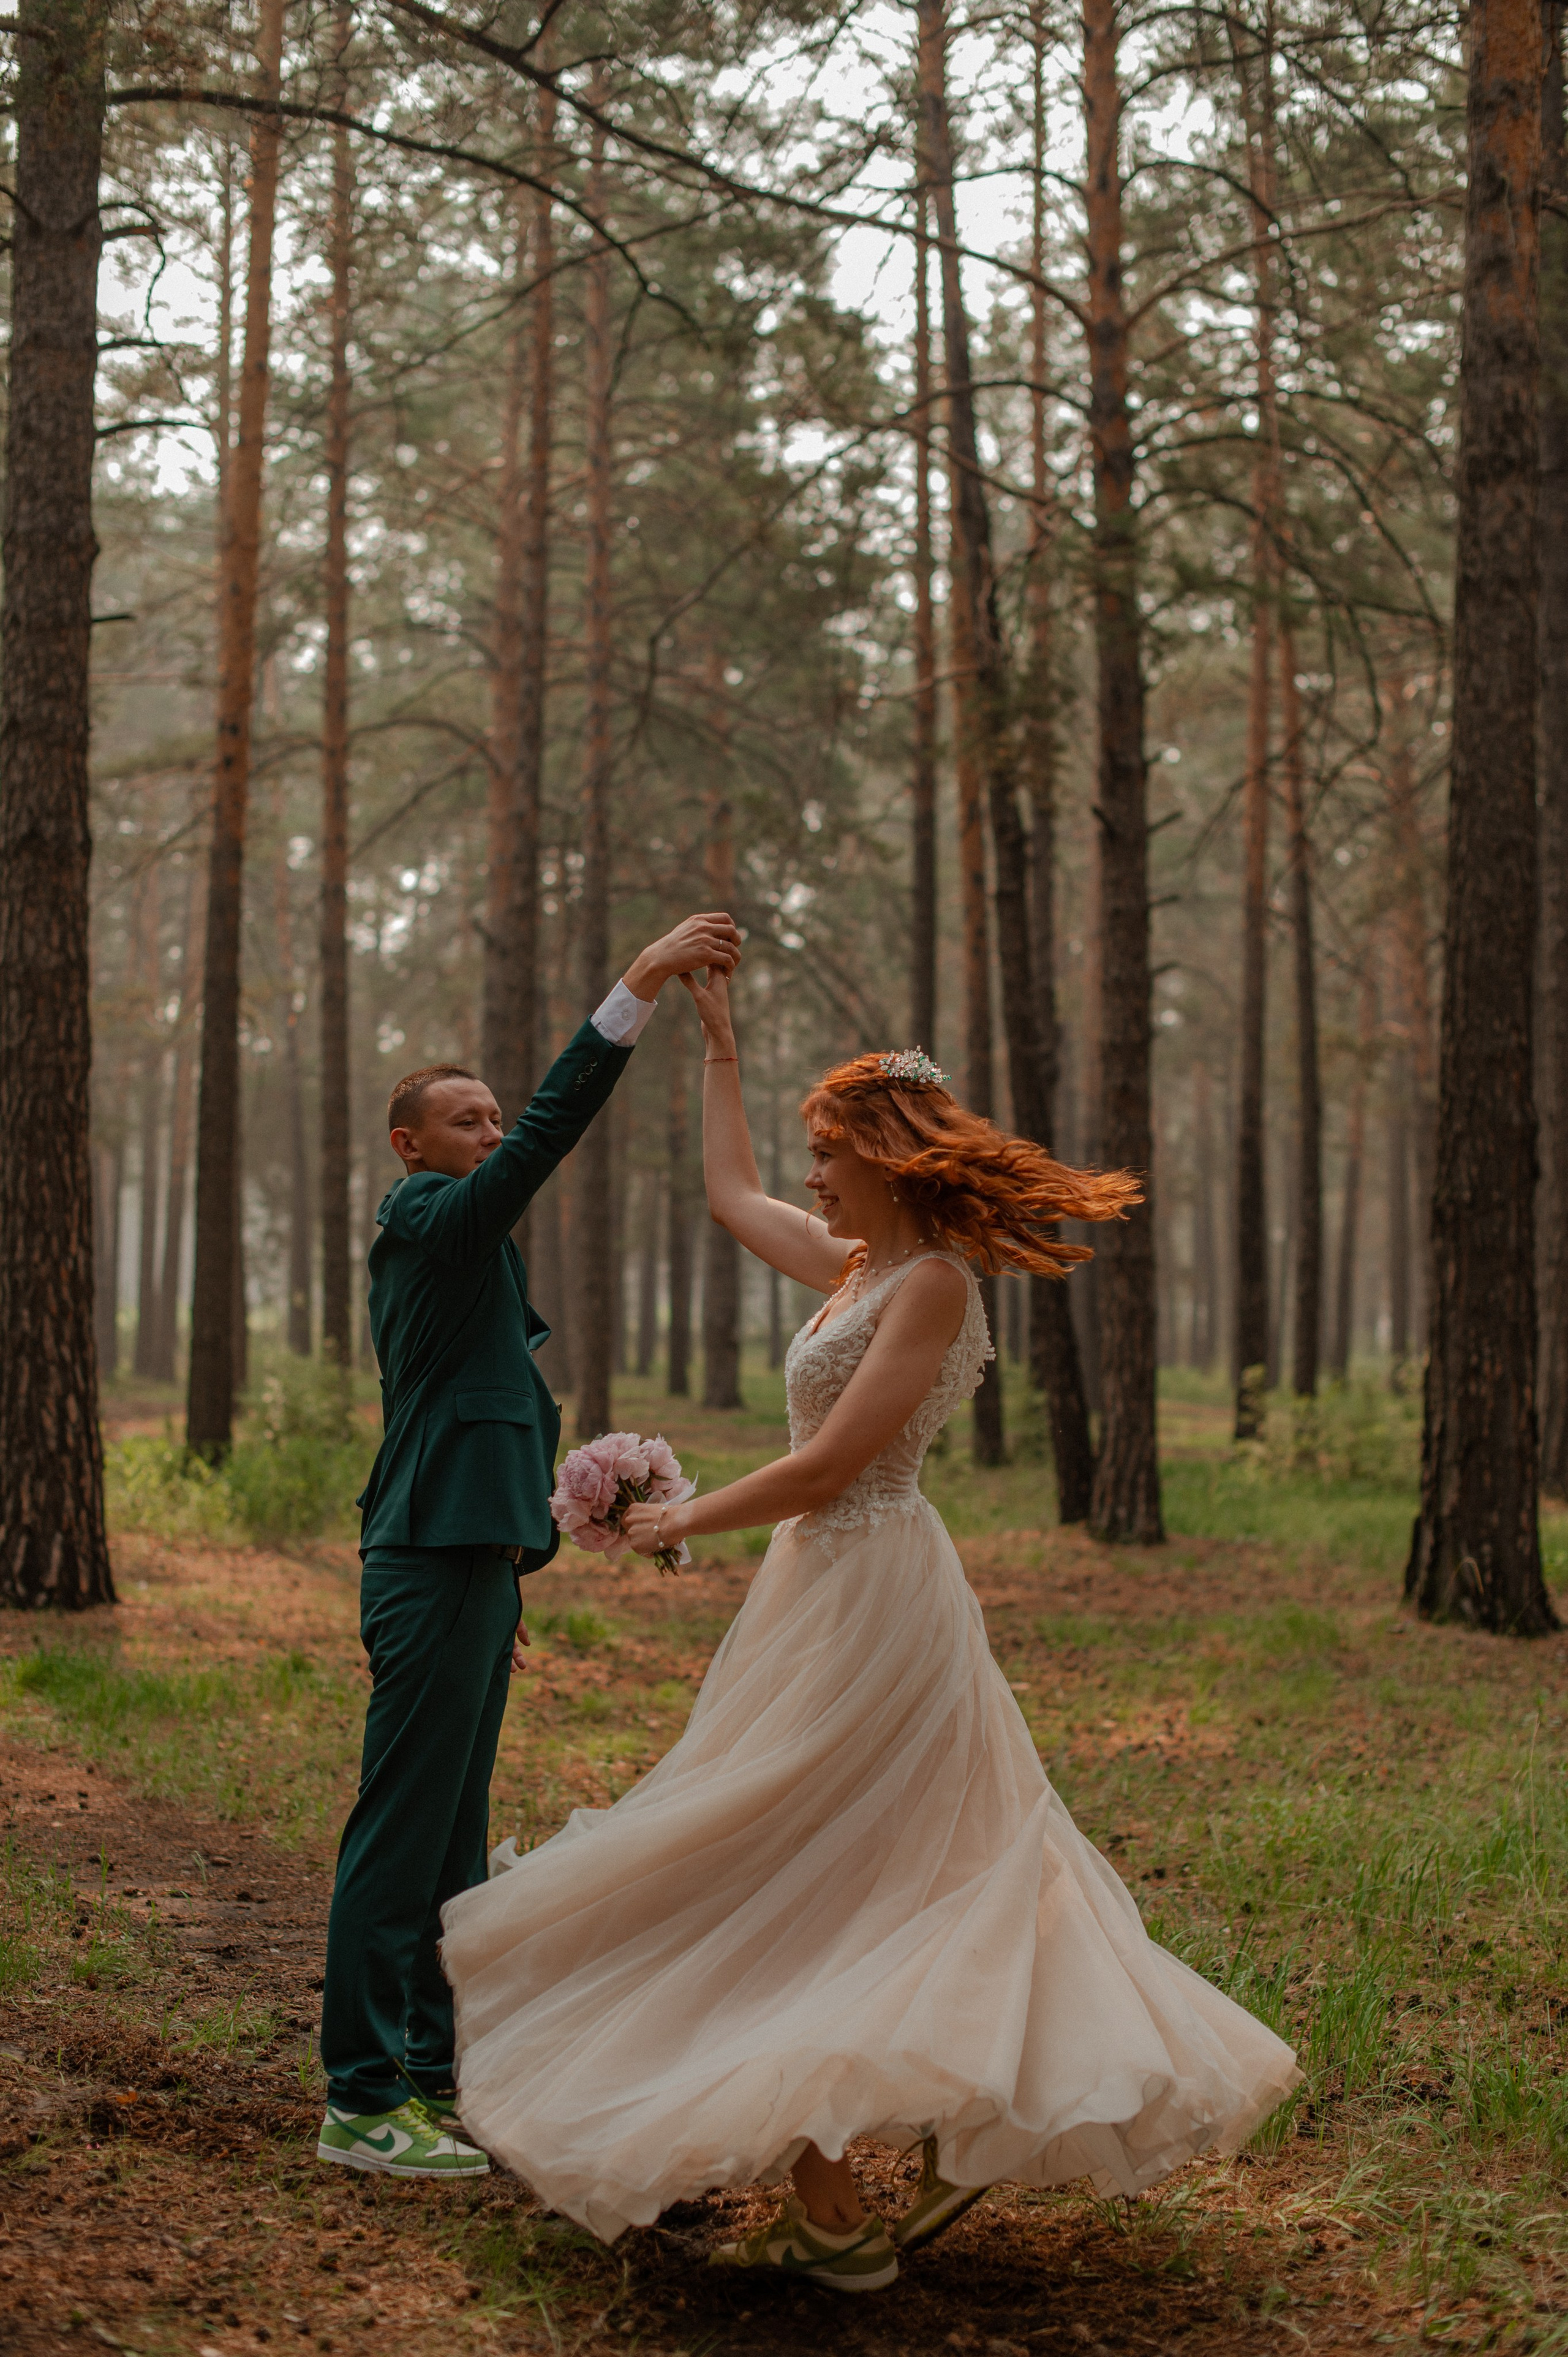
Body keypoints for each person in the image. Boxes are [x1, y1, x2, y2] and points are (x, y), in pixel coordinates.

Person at [439, 969, 1301, 2282]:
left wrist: (676, 1520)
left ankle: (867, 2183)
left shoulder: (933, 1287)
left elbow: (833, 1467)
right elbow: (730, 1197)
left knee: (802, 1858)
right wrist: (718, 1044)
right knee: (821, 1862)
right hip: (809, 1592)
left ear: (889, 1160)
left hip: (875, 1589)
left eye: (830, 1157)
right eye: (813, 1160)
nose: (816, 1180)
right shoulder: (855, 1266)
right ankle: (851, 2187)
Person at [315, 912, 742, 2181]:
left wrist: (579, 1490)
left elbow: (489, 1402)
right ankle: (358, 2098)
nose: (492, 1133)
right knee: (399, 1836)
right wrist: (639, 985)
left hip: (479, 1561)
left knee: (453, 1840)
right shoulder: (425, 1216)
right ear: (410, 1145)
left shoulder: (468, 1253)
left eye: (495, 1117)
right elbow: (552, 1135)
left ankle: (440, 2072)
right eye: (467, 1120)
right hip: (430, 1560)